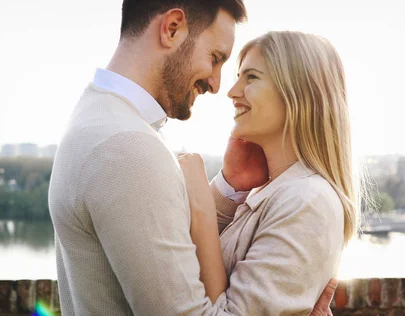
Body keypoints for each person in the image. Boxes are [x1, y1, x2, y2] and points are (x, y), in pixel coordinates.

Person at [48, 0, 337, 314]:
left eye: (249, 77)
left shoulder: (97, 119)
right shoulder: (127, 146)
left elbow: (174, 251)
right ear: (172, 29)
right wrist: (200, 205)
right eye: (215, 58)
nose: (217, 85)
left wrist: (223, 191)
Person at [178, 30, 360, 315]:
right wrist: (228, 187)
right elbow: (186, 259)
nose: (232, 91)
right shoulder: (277, 191)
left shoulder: (306, 201)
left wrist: (200, 204)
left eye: (251, 77)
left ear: (298, 92)